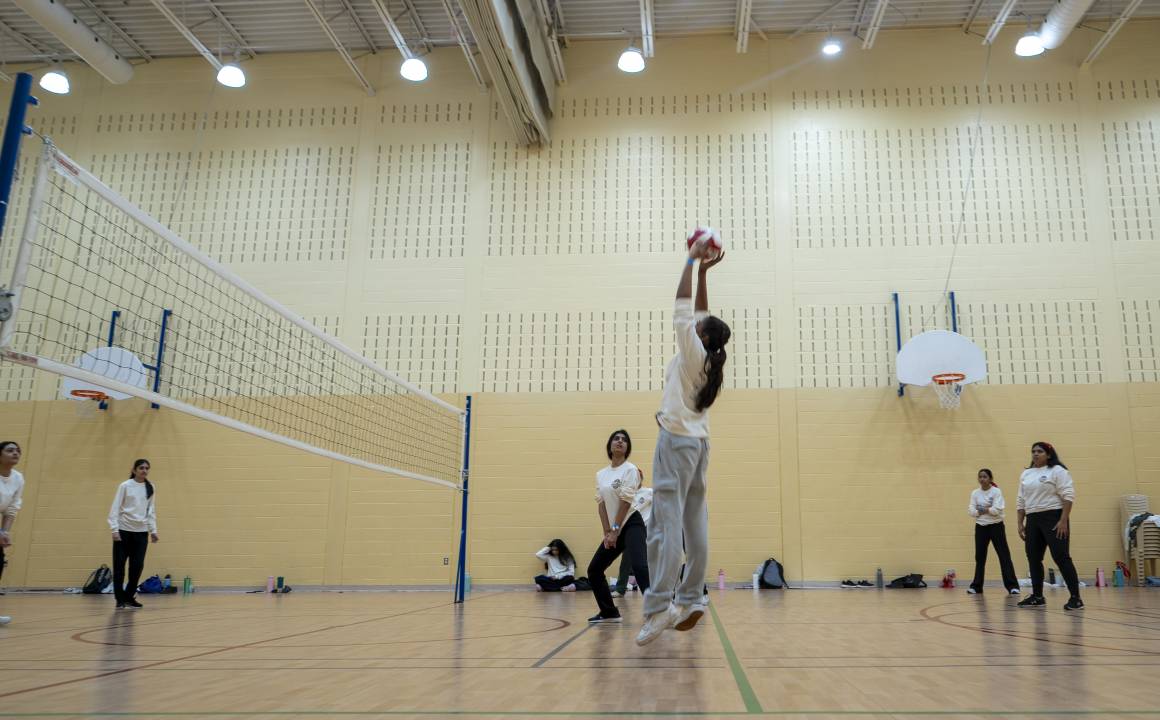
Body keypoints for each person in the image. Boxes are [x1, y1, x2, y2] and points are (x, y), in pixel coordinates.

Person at [637, 238, 730, 646]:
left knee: (663, 527)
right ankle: (691, 597)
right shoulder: (709, 359)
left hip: (675, 444)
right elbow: (701, 315)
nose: (694, 323)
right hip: (699, 445)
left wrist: (690, 262)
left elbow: (681, 308)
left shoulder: (692, 352)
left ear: (701, 337)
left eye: (698, 326)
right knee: (695, 523)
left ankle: (659, 607)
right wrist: (705, 274)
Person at [587, 429, 652, 623]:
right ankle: (609, 612)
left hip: (632, 523)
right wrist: (607, 533)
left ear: (627, 448)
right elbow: (601, 505)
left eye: (624, 440)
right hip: (614, 529)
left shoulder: (630, 470)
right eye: (616, 438)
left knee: (639, 566)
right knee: (594, 570)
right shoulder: (601, 474)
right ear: (610, 445)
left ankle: (659, 611)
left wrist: (615, 530)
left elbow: (625, 503)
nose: (620, 441)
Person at [1017, 442, 1083, 610]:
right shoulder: (1026, 474)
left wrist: (1063, 520)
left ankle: (1076, 598)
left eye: (1039, 451)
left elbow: (1068, 496)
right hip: (1032, 519)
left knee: (1061, 557)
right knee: (1033, 558)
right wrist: (1020, 523)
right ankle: (1037, 596)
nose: (1035, 454)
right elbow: (1021, 500)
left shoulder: (1058, 471)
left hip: (1053, 517)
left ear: (1049, 454)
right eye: (1033, 451)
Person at [108, 459, 159, 609]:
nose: (144, 470)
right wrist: (114, 529)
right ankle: (120, 599)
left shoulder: (150, 487)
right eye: (141, 468)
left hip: (141, 533)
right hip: (123, 531)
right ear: (134, 470)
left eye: (147, 468)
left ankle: (129, 597)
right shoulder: (125, 486)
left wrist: (153, 530)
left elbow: (151, 510)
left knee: (137, 567)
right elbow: (115, 507)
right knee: (119, 567)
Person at [967, 468, 1019, 596]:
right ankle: (976, 586)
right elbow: (971, 511)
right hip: (981, 527)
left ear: (990, 479)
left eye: (985, 476)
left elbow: (997, 510)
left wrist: (982, 510)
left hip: (996, 527)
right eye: (980, 477)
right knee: (980, 557)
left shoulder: (996, 492)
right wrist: (986, 509)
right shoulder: (975, 493)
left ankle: (1012, 586)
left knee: (1004, 555)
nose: (982, 479)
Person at [0, 441, 25, 626]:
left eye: (17, 451)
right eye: (10, 450)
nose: (15, 453)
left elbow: (12, 508)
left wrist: (4, 532)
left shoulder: (18, 478)